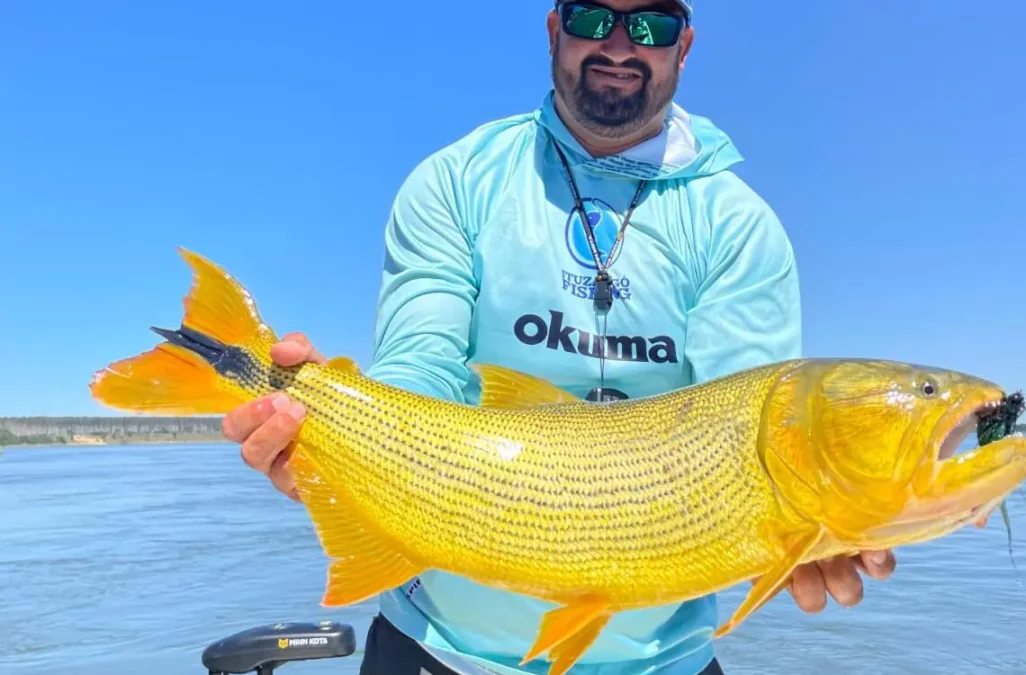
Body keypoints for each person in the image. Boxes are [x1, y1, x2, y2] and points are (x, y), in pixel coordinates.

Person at [222, 0, 897, 673]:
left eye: (652, 25)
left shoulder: (738, 227)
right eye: (592, 18)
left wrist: (817, 517)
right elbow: (420, 366)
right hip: (433, 646)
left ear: (683, 47)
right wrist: (335, 440)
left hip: (663, 660)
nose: (621, 44)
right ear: (554, 29)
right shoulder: (456, 182)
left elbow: (746, 424)